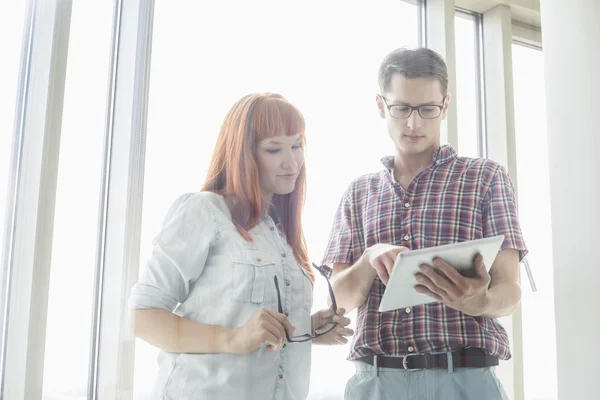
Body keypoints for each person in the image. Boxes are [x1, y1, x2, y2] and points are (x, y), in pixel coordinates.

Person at [320, 47, 527, 400]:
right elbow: (339, 298)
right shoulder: (358, 193)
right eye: (401, 109)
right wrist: (371, 256)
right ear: (381, 106)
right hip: (377, 382)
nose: (414, 123)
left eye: (427, 109)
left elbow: (510, 293)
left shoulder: (485, 178)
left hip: (466, 380)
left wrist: (479, 302)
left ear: (444, 107)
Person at [129, 93, 353, 400]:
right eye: (274, 149)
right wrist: (234, 338)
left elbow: (249, 323)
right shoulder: (204, 211)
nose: (291, 161)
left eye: (297, 144)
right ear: (244, 154)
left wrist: (309, 328)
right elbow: (143, 318)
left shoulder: (281, 232)